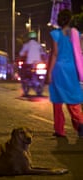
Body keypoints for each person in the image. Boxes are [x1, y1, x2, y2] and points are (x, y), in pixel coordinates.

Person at [46, 9, 83, 138]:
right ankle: (80, 123)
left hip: (59, 69)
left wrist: (49, 73)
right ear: (70, 20)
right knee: (73, 99)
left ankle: (59, 130)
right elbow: (79, 52)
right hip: (72, 69)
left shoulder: (55, 34)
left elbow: (55, 54)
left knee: (57, 101)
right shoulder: (76, 33)